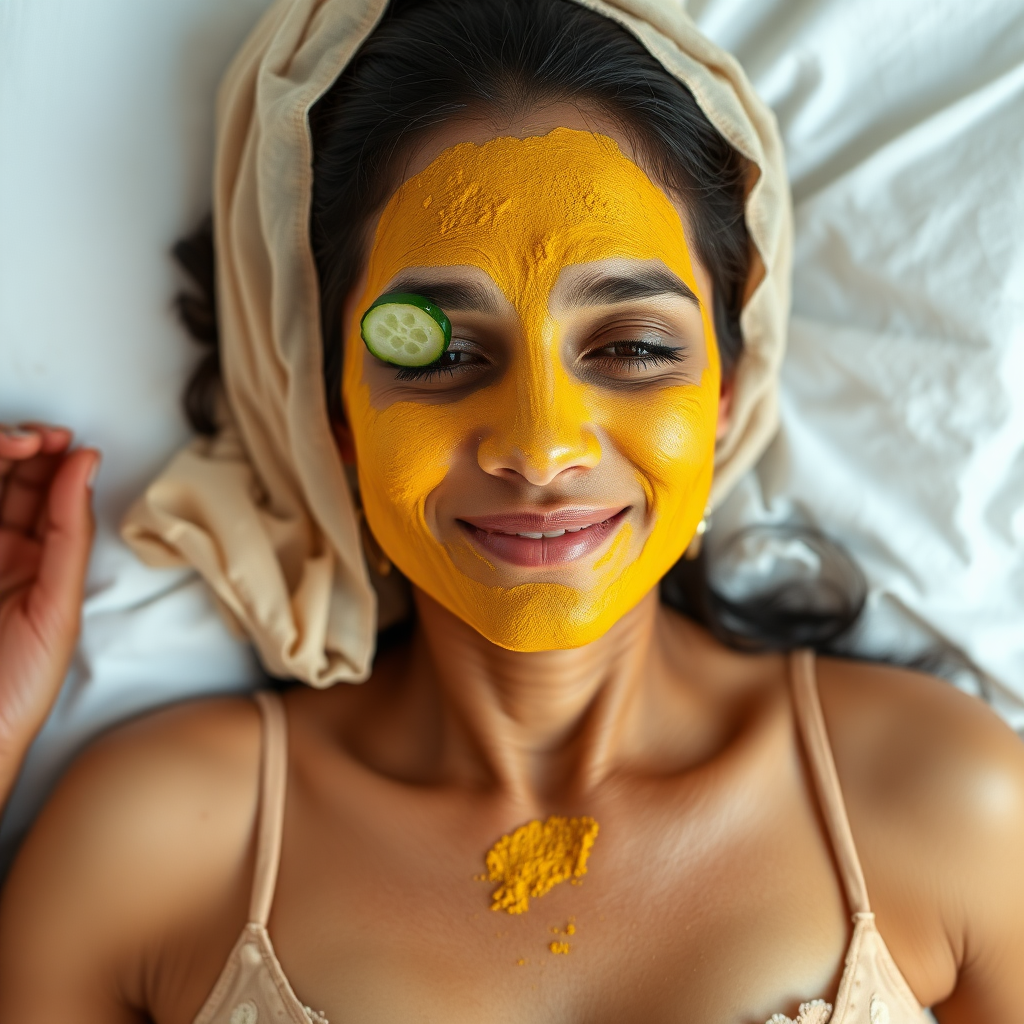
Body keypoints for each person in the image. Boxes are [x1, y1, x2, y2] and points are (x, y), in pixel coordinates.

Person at [1, 1, 1023, 1021]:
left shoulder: (944, 800)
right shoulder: (155, 844)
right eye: (440, 352)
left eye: (630, 346)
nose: (539, 450)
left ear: (725, 393)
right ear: (331, 411)